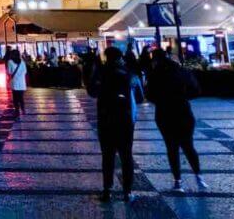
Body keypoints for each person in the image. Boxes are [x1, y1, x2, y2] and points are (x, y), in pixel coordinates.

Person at [87, 46, 144, 203]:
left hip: (105, 120)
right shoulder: (129, 73)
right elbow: (140, 97)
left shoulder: (101, 72)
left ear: (106, 57)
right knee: (126, 156)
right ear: (120, 57)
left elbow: (91, 91)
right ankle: (127, 192)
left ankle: (107, 190)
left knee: (107, 156)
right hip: (125, 121)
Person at [145, 48, 208, 192]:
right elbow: (196, 90)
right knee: (188, 145)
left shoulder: (154, 74)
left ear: (154, 59)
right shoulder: (181, 71)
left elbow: (149, 95)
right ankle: (199, 178)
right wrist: (183, 97)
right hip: (183, 111)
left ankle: (178, 181)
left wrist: (162, 100)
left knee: (171, 147)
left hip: (164, 113)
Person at [6, 49, 27, 116]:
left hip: (15, 83)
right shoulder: (22, 62)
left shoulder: (10, 62)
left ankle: (17, 111)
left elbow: (9, 72)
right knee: (21, 97)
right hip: (22, 83)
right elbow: (25, 72)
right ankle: (23, 109)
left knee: (15, 98)